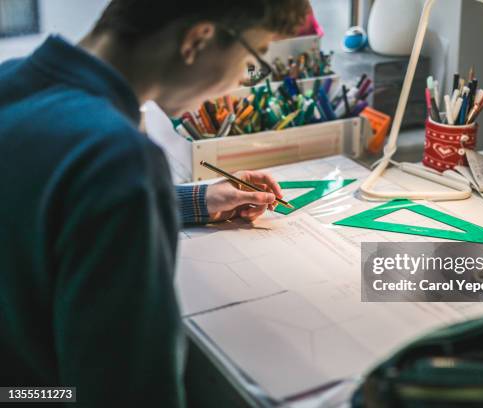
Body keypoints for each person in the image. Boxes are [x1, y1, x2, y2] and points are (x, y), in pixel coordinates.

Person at [0, 0, 308, 406]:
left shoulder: (13, 82)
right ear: (198, 39)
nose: (238, 84)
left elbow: (41, 206)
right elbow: (127, 392)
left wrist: (190, 199)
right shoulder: (117, 158)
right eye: (254, 58)